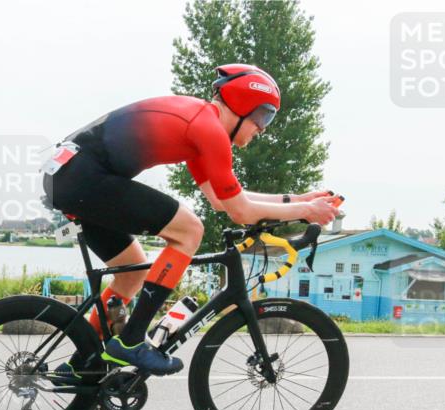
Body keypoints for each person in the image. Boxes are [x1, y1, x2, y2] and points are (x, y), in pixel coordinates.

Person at [42, 64, 340, 379]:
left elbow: (223, 199)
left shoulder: (200, 125)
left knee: (133, 274)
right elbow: (240, 212)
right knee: (189, 230)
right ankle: (130, 342)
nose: (263, 129)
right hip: (82, 177)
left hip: (70, 176)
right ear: (240, 105)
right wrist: (305, 211)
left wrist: (299, 200)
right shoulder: (208, 130)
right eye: (263, 116)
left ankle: (82, 362)